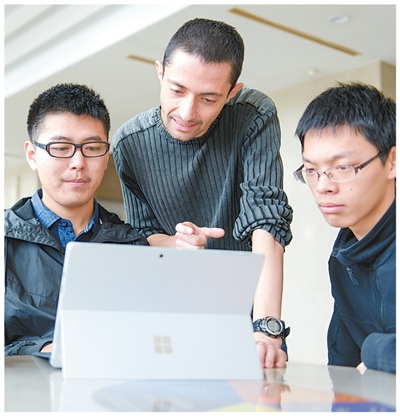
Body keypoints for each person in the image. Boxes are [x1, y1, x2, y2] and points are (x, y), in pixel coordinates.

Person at [112, 18, 293, 368]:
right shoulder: (129, 143)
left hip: (249, 307)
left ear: (232, 93)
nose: (187, 113)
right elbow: (142, 235)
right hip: (174, 307)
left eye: (209, 99)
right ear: (160, 72)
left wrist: (266, 329)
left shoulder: (253, 115)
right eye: (177, 90)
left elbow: (266, 221)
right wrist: (176, 242)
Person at [4, 83, 148, 356]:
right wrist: (41, 350)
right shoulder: (6, 240)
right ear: (32, 155)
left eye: (92, 147)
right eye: (60, 148)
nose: (78, 162)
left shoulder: (133, 246)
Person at [293, 82, 396, 373]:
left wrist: (374, 349)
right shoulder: (343, 259)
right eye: (311, 171)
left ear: (392, 161)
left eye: (342, 168)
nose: (323, 186)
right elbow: (342, 369)